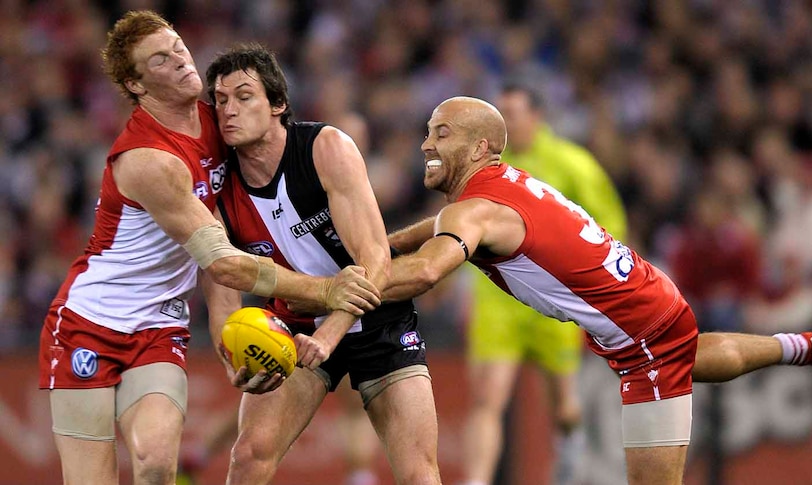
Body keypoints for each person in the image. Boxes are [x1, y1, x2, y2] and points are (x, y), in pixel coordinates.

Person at [381, 96, 812, 485]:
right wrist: (391, 241)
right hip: (648, 296)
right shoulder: (503, 185)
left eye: (441, 132)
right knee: (689, 356)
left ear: (480, 146)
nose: (426, 144)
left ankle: (805, 346)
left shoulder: (476, 211)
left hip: (639, 333)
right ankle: (805, 346)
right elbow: (453, 224)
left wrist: (337, 286)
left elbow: (425, 273)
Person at [36, 11, 380, 485]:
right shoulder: (147, 159)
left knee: (157, 464)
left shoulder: (219, 122)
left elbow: (221, 244)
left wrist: (227, 345)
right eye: (160, 59)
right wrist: (328, 290)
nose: (180, 59)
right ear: (136, 87)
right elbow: (222, 260)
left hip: (159, 325)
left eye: (177, 45)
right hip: (87, 323)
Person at [200, 43, 440, 485]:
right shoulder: (217, 185)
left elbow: (375, 259)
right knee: (248, 456)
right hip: (293, 330)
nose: (229, 110)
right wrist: (227, 349)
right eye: (220, 100)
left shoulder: (325, 147)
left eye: (244, 96)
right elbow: (220, 275)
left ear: (278, 104)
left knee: (418, 474)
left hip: (378, 318)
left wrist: (331, 334)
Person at [460, 82, 627, 485]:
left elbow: (610, 226)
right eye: (498, 116)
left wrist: (595, 295)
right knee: (487, 400)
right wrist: (466, 289)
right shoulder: (483, 168)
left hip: (554, 302)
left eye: (511, 115)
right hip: (498, 303)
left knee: (564, 406)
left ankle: (569, 449)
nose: (503, 124)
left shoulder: (573, 163)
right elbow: (465, 229)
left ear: (536, 116)